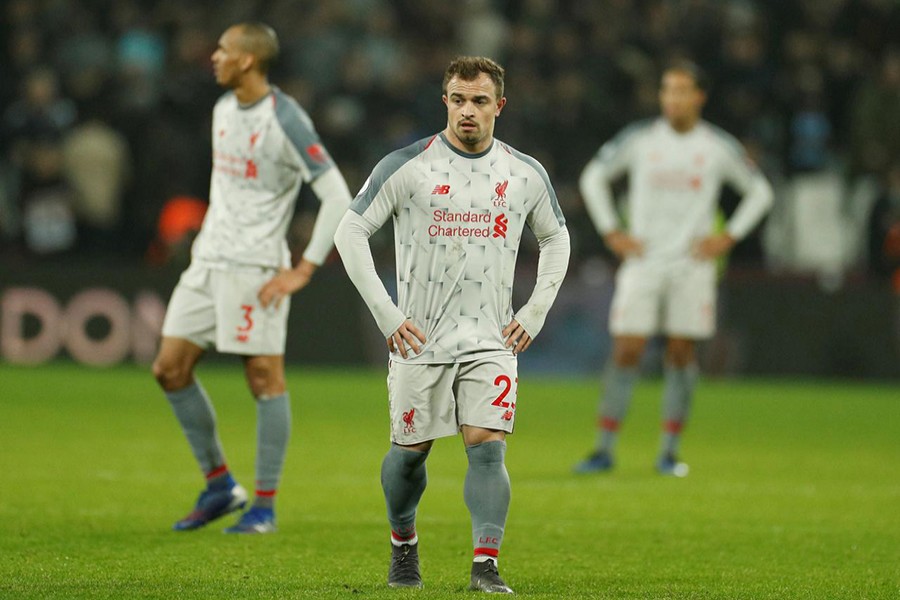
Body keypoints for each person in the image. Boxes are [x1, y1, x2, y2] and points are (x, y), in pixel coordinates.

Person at [334, 56, 569, 593]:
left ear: (499, 107)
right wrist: (387, 313)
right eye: (458, 100)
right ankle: (403, 543)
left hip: (491, 339)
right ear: (445, 101)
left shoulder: (524, 172)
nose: (468, 111)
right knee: (409, 458)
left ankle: (485, 565)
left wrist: (534, 311)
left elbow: (557, 238)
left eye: (479, 101)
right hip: (420, 338)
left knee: (487, 446)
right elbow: (350, 232)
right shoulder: (408, 165)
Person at [152, 23, 353, 534]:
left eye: (223, 49)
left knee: (263, 378)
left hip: (255, 268)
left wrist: (305, 266)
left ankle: (264, 506)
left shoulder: (286, 119)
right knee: (169, 369)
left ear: (246, 60)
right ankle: (220, 484)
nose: (214, 56)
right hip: (208, 260)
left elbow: (337, 194)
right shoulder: (222, 110)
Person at [573, 61, 773, 477]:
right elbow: (593, 176)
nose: (672, 98)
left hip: (692, 265)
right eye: (667, 90)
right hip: (642, 261)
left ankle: (668, 451)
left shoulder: (717, 146)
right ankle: (604, 448)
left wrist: (728, 236)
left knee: (681, 353)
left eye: (681, 91)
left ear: (699, 96)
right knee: (627, 349)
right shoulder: (640, 140)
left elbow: (760, 191)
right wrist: (612, 231)